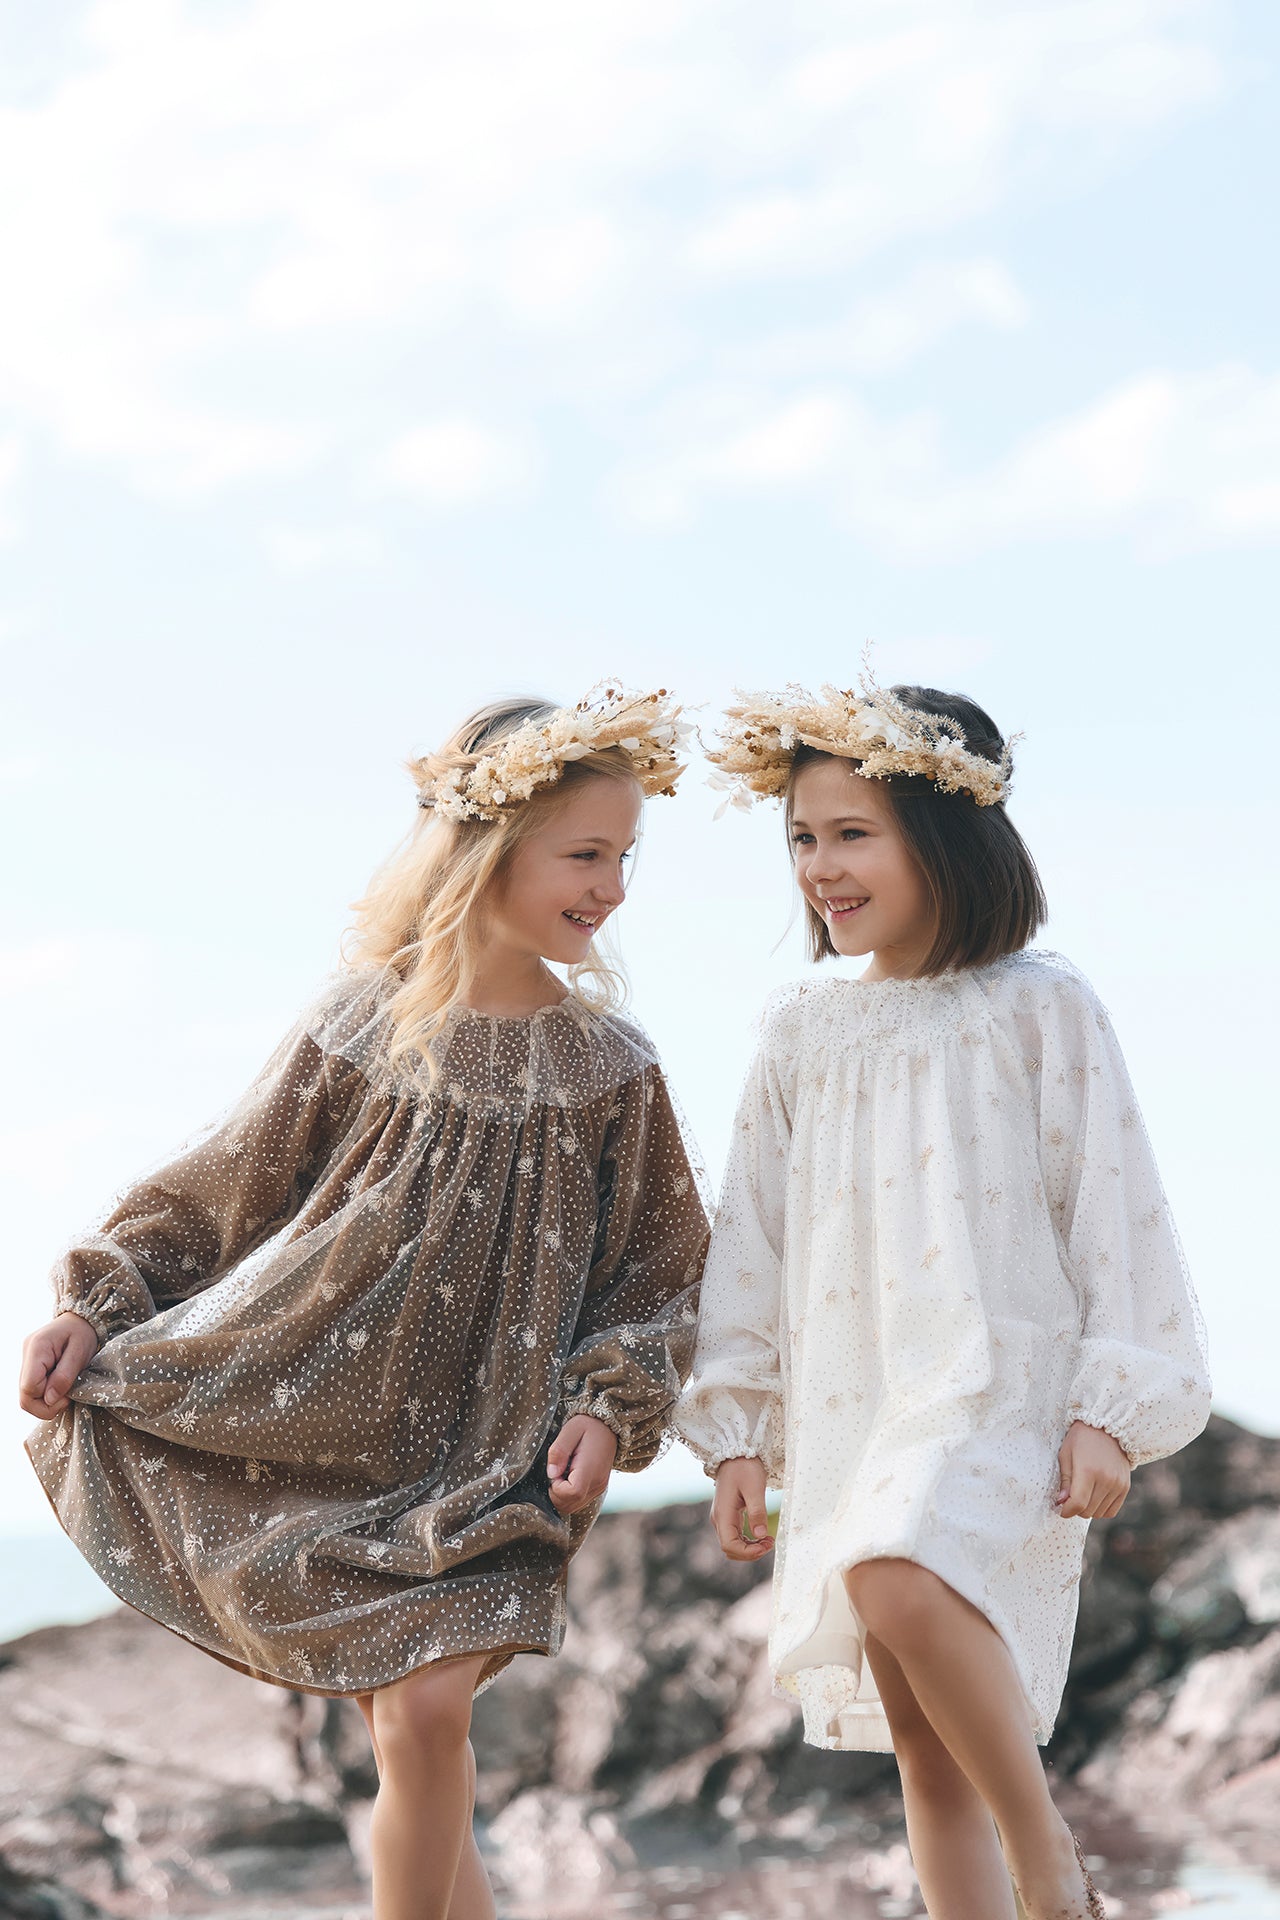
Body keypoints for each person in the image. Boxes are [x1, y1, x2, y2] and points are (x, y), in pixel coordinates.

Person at [21, 683, 710, 1920]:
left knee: (427, 1711)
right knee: (414, 1731)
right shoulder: (363, 1025)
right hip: (325, 1430)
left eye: (625, 857)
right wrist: (99, 1303)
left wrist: (607, 1409)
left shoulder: (613, 1068)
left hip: (501, 1457)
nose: (612, 886)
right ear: (488, 848)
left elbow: (657, 1270)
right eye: (585, 854)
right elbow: (225, 1188)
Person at [676, 677, 1211, 1920]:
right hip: (853, 1391)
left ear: (945, 837)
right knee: (918, 1731)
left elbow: (1111, 1206)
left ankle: (1047, 1867)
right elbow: (748, 1237)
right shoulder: (798, 1032)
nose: (819, 867)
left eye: (850, 834)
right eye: (801, 838)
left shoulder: (1039, 1005)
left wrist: (1108, 1409)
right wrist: (737, 1429)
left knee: (891, 1573)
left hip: (999, 1381)